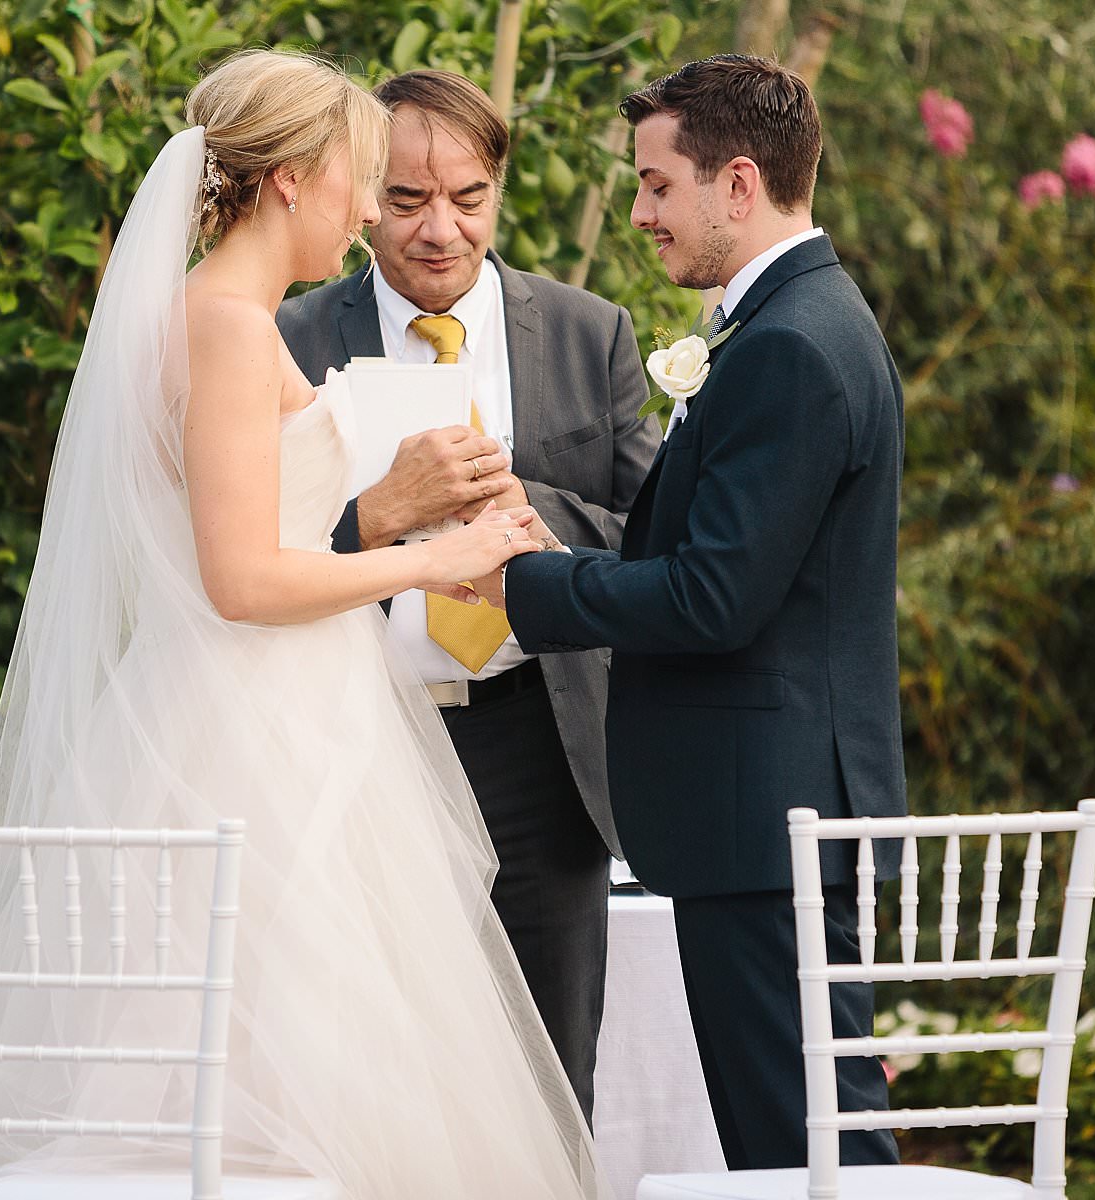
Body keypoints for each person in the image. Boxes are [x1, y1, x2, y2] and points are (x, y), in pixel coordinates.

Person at [0, 50, 602, 1200]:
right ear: (291, 178)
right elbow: (242, 579)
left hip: (294, 711)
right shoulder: (221, 325)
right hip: (250, 732)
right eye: (362, 178)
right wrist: (437, 558)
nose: (368, 211)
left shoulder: (233, 321)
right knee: (277, 1075)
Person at [475, 55, 907, 1170]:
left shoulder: (790, 346)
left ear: (740, 183)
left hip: (765, 821)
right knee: (804, 1144)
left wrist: (524, 583)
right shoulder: (794, 323)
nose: (640, 213)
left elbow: (714, 598)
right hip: (769, 815)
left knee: (808, 1153)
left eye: (658, 184)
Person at [276, 68, 659, 1122]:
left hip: (543, 749)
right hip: (361, 748)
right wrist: (375, 515)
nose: (439, 229)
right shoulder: (291, 338)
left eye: (468, 197)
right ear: (362, 195)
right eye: (406, 199)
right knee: (372, 1081)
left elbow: (655, 543)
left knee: (552, 1084)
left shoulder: (589, 332)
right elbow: (241, 562)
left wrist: (531, 507)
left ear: (499, 188)